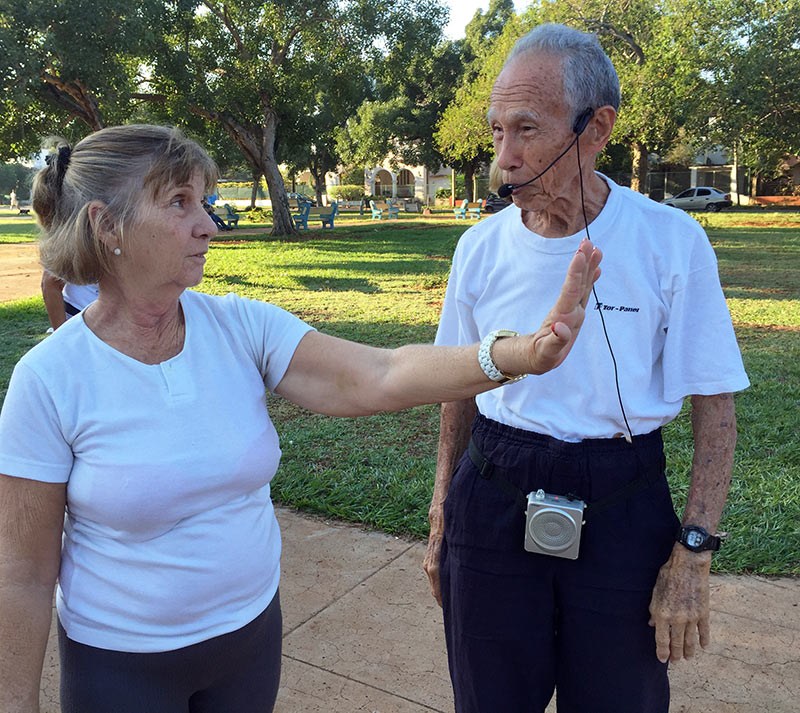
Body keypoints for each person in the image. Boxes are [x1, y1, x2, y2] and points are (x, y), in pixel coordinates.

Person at [0, 124, 601, 713]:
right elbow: (22, 574)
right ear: (107, 226)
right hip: (121, 664)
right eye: (180, 203)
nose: (208, 223)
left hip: (248, 642)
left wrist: (521, 354)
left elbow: (379, 372)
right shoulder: (50, 379)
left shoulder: (239, 327)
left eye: (204, 200)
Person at [422, 23, 749, 713]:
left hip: (623, 498)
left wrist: (693, 553)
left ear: (597, 128)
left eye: (527, 131)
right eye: (496, 132)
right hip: (495, 487)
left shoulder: (671, 241)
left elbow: (716, 413)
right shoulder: (478, 248)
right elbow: (457, 387)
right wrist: (442, 510)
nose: (504, 159)